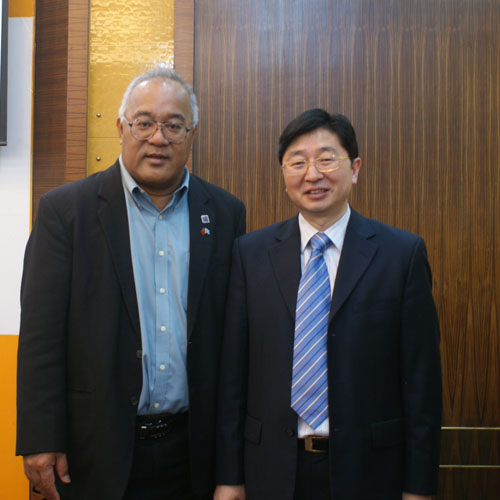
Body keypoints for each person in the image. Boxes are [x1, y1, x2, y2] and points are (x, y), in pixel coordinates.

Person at [16, 67, 246, 500]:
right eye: (144, 123)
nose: (158, 138)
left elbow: (234, 340)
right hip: (93, 447)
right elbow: (40, 338)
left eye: (174, 126)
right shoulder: (65, 212)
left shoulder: (225, 213)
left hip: (192, 450)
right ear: (121, 128)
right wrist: (40, 437)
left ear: (191, 135)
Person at [215, 109, 441, 500]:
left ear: (355, 169)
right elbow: (233, 377)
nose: (312, 174)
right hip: (270, 468)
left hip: (370, 471)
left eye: (326, 159)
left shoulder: (401, 255)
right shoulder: (250, 254)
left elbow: (422, 384)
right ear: (284, 174)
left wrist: (419, 488)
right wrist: (229, 477)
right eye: (297, 162)